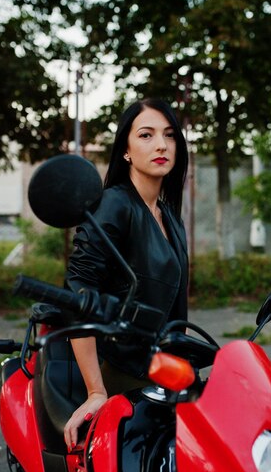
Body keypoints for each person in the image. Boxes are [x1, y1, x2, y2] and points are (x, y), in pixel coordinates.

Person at [63, 97, 189, 450]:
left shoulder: (169, 217)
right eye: (146, 135)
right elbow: (79, 294)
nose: (162, 145)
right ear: (127, 151)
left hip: (161, 370)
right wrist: (95, 391)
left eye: (170, 135)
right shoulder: (114, 205)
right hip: (121, 371)